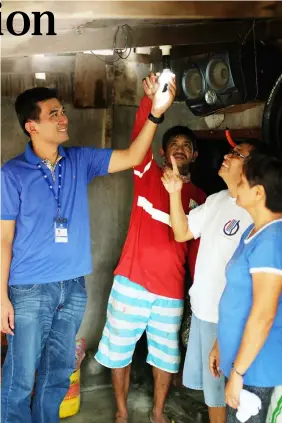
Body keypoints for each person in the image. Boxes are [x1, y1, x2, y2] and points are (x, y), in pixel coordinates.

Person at [1, 78, 176, 423]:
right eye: (55, 114)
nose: (64, 118)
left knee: (58, 372)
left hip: (74, 288)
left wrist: (155, 114)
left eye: (63, 111)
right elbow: (3, 239)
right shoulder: (12, 173)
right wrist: (0, 297)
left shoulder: (79, 160)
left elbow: (132, 156)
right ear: (32, 125)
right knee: (20, 377)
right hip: (29, 290)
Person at [95, 74, 206, 423]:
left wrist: (195, 293)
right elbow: (135, 141)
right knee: (118, 352)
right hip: (131, 282)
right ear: (162, 152)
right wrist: (149, 104)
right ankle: (123, 412)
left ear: (194, 155)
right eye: (173, 145)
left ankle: (158, 414)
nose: (179, 150)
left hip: (171, 292)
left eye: (186, 147)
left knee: (164, 358)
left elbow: (194, 251)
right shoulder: (145, 173)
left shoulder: (200, 199)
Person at [161, 141, 256, 423]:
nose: (227, 155)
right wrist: (174, 194)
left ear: (254, 167)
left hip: (228, 318)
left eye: (237, 154)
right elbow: (182, 232)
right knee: (214, 395)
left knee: (235, 395)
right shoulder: (217, 200)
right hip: (203, 311)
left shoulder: (256, 209)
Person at [210, 149, 282, 423]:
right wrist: (220, 344)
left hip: (255, 370)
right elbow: (237, 297)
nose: (235, 187)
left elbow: (264, 316)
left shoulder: (272, 241)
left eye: (241, 182)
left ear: (259, 193)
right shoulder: (253, 232)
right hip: (241, 362)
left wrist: (238, 374)